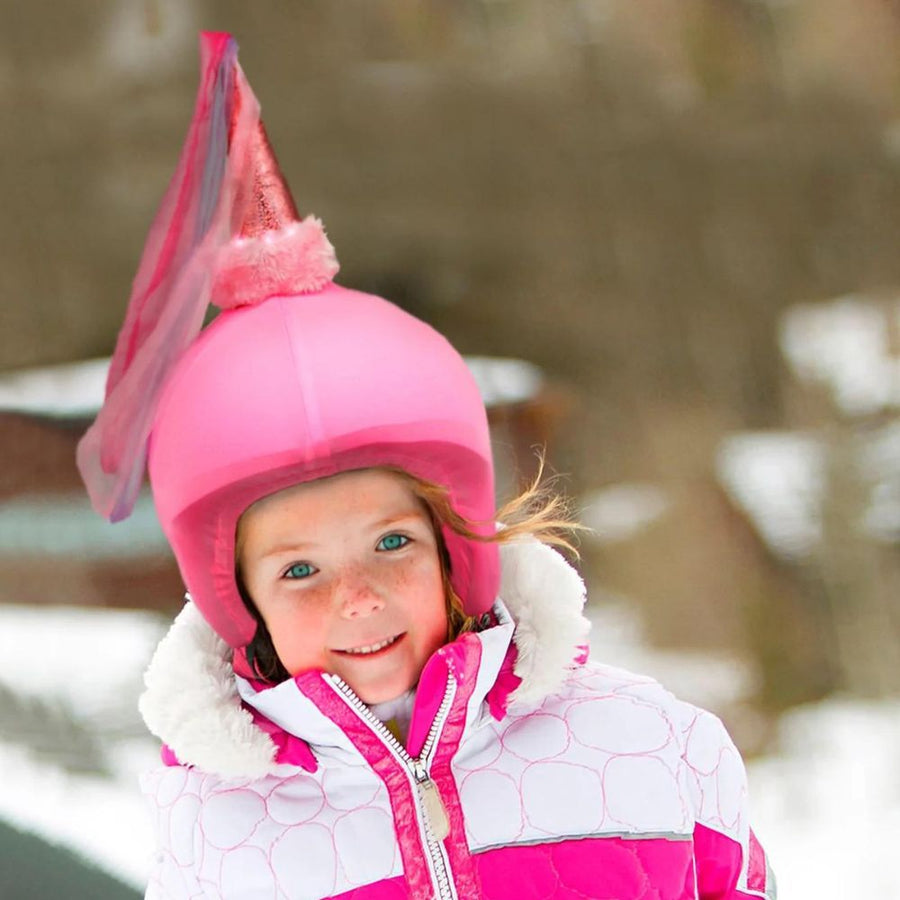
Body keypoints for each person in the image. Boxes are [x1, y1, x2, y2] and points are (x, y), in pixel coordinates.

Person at [78, 32, 776, 900]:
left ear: (457, 545)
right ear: (237, 600)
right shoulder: (221, 834)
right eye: (299, 568)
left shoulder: (640, 743)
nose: (357, 596)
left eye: (392, 543)